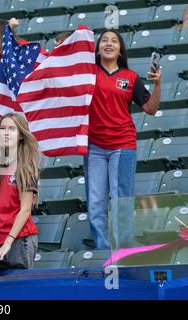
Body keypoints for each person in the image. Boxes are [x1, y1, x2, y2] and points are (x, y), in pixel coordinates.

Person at [86, 29, 161, 250]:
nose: (109, 44)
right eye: (104, 41)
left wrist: (157, 84)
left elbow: (151, 108)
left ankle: (122, 251)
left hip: (122, 145)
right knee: (96, 202)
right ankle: (102, 251)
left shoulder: (130, 77)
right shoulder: (87, 74)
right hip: (94, 147)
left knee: (121, 201)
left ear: (120, 50)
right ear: (98, 49)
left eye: (114, 41)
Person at [0, 113, 39, 269]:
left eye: (12, 129)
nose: (6, 133)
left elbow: (25, 210)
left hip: (20, 238)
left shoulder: (26, 166)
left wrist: (8, 242)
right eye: (2, 128)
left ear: (21, 135)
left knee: (21, 291)